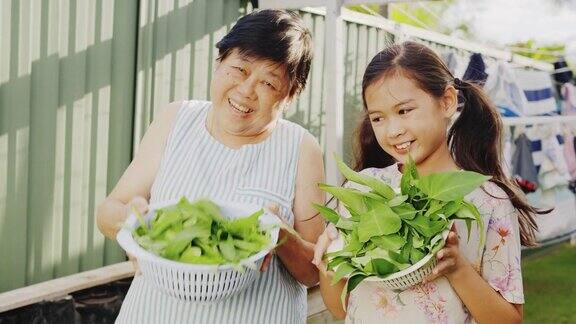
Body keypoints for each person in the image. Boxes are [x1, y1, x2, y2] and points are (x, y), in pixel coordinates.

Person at [96, 9, 325, 324]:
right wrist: (130, 219)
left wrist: (279, 234)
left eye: (268, 83)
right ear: (219, 61)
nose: (246, 90)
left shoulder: (301, 148)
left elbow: (314, 271)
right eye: (239, 69)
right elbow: (108, 211)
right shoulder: (175, 120)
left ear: (291, 95)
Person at [312, 41, 548, 323]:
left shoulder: (488, 202)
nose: (394, 130)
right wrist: (328, 263)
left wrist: (457, 267)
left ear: (447, 102)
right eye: (378, 118)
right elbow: (341, 308)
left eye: (404, 111)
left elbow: (509, 320)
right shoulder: (362, 191)